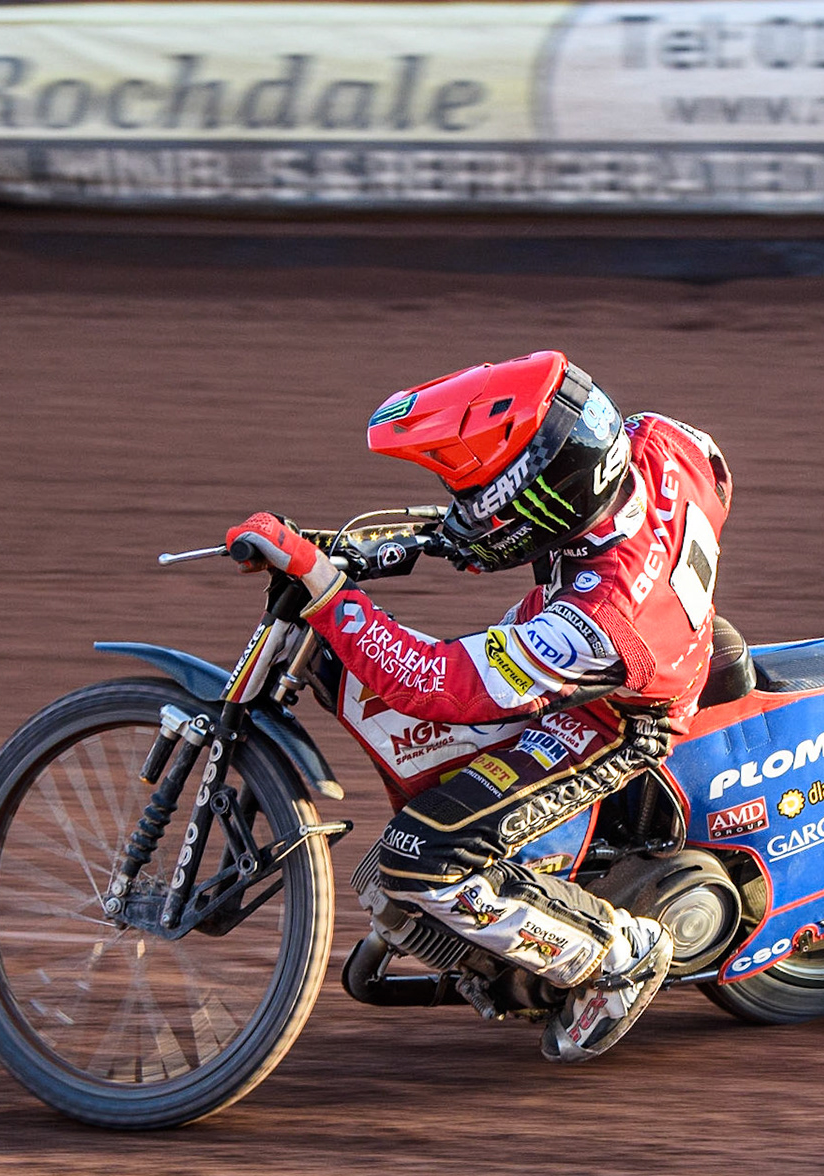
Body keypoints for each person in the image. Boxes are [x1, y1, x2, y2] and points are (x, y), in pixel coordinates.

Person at [225, 350, 731, 1062]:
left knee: (418, 861)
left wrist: (329, 593)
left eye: (477, 495)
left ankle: (619, 955)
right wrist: (420, 541)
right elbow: (710, 469)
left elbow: (434, 684)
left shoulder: (595, 623)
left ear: (546, 500)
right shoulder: (654, 442)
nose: (462, 507)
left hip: (612, 715)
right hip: (633, 631)